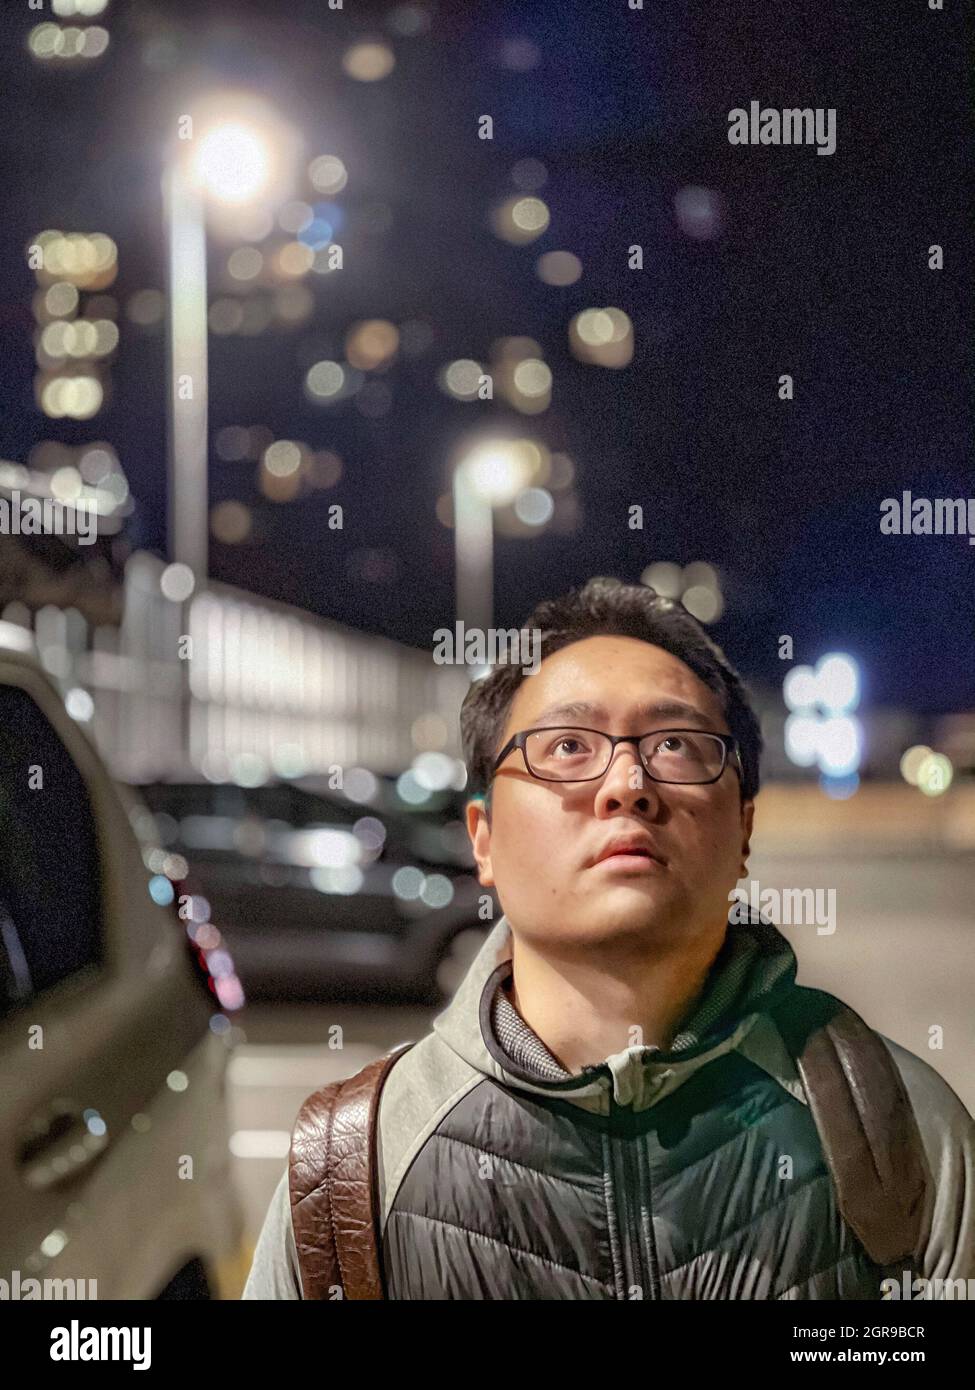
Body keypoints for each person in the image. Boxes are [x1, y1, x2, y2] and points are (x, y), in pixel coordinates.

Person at [243, 576, 975, 1299]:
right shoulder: (352, 1175)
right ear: (484, 838)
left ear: (743, 830)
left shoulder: (899, 1128)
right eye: (567, 745)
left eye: (676, 745)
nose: (627, 785)